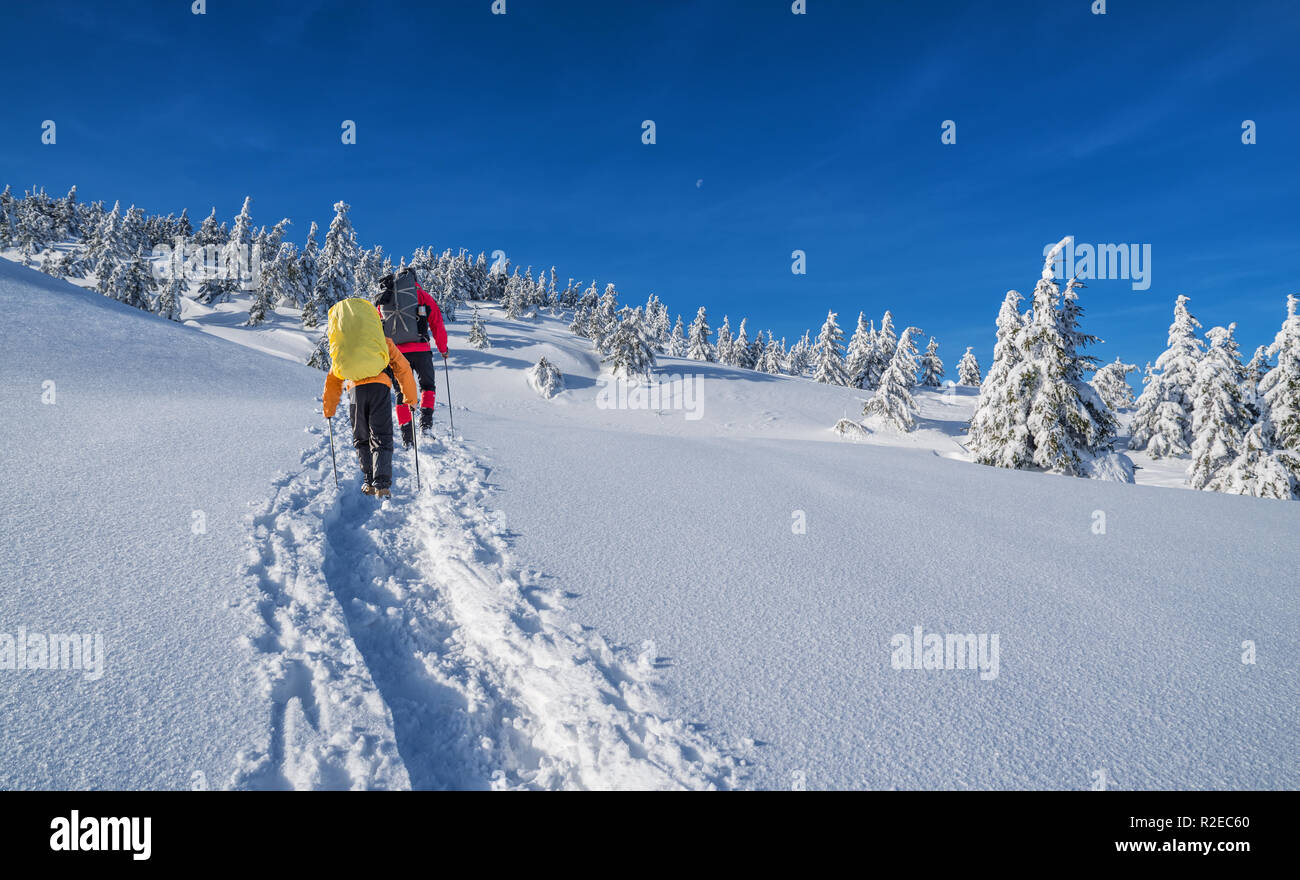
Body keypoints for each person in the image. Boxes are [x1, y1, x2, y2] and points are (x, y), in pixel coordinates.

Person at [322, 317, 418, 498]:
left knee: (361, 435)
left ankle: (368, 480)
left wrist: (329, 408)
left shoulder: (348, 345)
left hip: (355, 390)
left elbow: (333, 377)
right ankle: (382, 484)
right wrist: (411, 399)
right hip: (379, 387)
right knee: (381, 435)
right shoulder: (383, 342)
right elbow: (402, 367)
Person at [375, 270, 449, 447]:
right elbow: (437, 322)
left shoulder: (385, 299)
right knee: (427, 386)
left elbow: (378, 329)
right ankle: (426, 425)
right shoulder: (422, 295)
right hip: (421, 349)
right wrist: (443, 349)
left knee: (402, 393)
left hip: (397, 354)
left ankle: (407, 436)